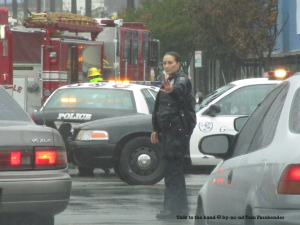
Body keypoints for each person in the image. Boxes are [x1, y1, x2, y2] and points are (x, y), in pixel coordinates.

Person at [151, 51, 196, 219]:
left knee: (173, 171)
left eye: (170, 62)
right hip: (168, 132)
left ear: (178, 64)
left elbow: (179, 91)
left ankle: (174, 210)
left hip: (177, 132)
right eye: (164, 63)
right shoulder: (168, 81)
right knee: (170, 170)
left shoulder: (181, 80)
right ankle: (176, 209)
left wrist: (172, 91)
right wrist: (156, 129)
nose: (167, 66)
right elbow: (160, 108)